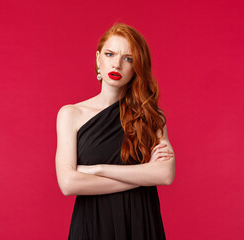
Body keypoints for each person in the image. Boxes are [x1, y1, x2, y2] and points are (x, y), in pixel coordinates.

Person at [55, 22, 175, 239]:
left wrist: (97, 169)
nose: (117, 64)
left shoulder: (150, 114)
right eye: (110, 54)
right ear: (98, 58)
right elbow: (68, 183)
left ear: (137, 67)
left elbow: (165, 174)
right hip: (93, 223)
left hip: (140, 221)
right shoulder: (70, 114)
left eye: (128, 58)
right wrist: (143, 174)